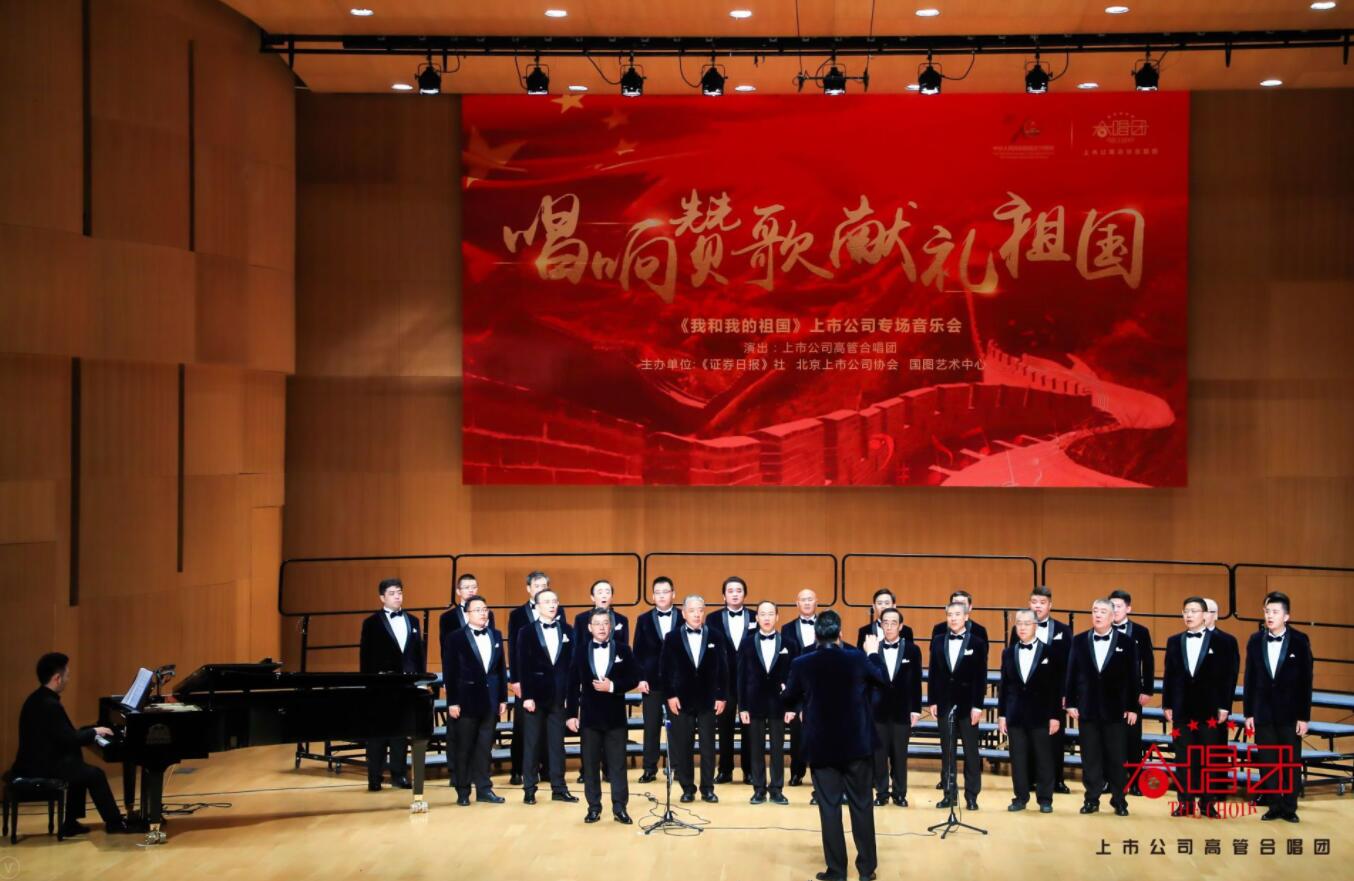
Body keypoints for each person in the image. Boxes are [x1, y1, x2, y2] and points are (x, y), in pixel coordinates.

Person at [782, 611, 885, 881]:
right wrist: (874, 653)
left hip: (822, 747)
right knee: (862, 805)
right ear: (840, 634)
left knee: (829, 808)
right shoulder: (857, 658)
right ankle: (866, 870)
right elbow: (883, 680)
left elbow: (788, 698)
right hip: (857, 745)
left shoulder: (801, 663)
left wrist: (788, 691)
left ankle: (837, 871)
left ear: (816, 635)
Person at [7, 653, 132, 837]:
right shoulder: (49, 704)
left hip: (37, 760)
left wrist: (88, 732)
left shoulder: (38, 698)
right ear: (57, 678)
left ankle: (71, 823)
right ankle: (114, 823)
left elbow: (63, 736)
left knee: (77, 765)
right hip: (39, 766)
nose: (68, 679)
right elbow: (69, 738)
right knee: (94, 774)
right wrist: (95, 732)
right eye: (67, 675)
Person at [1243, 591, 1313, 823]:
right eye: (1267, 611)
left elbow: (1306, 681)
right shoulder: (1255, 640)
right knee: (1268, 762)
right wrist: (1249, 713)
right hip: (1263, 712)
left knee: (1290, 762)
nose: (1269, 616)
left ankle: (1289, 807)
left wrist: (1304, 717)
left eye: (1274, 612)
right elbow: (1250, 679)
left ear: (1286, 616)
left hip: (1290, 713)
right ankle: (1274, 805)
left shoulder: (1300, 640)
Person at [1065, 599, 1139, 817]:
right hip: (1087, 708)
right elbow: (1071, 672)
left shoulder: (1126, 642)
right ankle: (1091, 799)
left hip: (1116, 709)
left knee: (1117, 757)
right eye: (1095, 611)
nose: (1097, 615)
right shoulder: (1079, 640)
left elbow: (1133, 677)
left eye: (1103, 611)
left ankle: (1119, 799)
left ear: (1113, 616)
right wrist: (1071, 702)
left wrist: (1132, 707)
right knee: (1090, 757)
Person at [1162, 596, 1235, 818]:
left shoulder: (1222, 642)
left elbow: (1228, 677)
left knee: (1208, 758)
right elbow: (1169, 675)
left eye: (1194, 611)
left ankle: (1207, 803)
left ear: (1204, 615)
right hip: (1182, 709)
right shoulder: (1174, 641)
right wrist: (1167, 703)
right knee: (1183, 758)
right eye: (1186, 611)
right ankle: (1184, 802)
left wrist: (1225, 705)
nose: (1189, 615)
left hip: (1210, 710)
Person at [566, 608, 639, 824]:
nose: (601, 627)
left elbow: (634, 678)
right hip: (590, 718)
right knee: (590, 765)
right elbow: (572, 684)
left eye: (605, 623)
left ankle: (620, 808)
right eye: (597, 623)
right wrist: (571, 714)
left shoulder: (624, 649)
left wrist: (612, 686)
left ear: (611, 626)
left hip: (615, 718)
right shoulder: (580, 651)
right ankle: (593, 807)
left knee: (618, 765)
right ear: (590, 627)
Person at [512, 589, 578, 805]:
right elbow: (523, 665)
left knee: (557, 745)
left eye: (555, 601)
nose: (552, 605)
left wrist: (569, 695)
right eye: (547, 602)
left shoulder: (568, 630)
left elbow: (572, 666)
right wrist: (527, 696)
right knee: (532, 744)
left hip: (558, 696)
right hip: (535, 697)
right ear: (538, 606)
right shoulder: (526, 631)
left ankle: (559, 788)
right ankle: (529, 789)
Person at [359, 577, 426, 791]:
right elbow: (365, 657)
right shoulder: (371, 623)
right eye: (392, 593)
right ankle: (375, 777)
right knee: (378, 733)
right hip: (381, 686)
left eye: (399, 592)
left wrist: (420, 680)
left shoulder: (413, 621)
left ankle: (399, 775)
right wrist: (368, 683)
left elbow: (418, 654)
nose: (397, 596)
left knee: (401, 731)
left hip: (406, 685)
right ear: (382, 598)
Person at [660, 595, 727, 803]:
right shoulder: (672, 637)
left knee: (708, 746)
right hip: (681, 700)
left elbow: (723, 668)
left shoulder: (716, 635)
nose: (697, 614)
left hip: (708, 699)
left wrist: (722, 696)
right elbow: (665, 670)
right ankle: (687, 787)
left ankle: (708, 788)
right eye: (692, 610)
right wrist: (670, 695)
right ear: (683, 613)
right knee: (683, 745)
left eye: (700, 610)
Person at [444, 596, 508, 806]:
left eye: (485, 609)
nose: (483, 613)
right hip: (466, 701)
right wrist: (452, 702)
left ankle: (484, 789)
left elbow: (500, 668)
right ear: (468, 614)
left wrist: (502, 698)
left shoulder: (495, 634)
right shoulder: (455, 638)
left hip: (490, 701)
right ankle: (463, 791)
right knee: (464, 748)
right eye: (478, 609)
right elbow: (450, 671)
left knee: (484, 748)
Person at [998, 610, 1062, 813]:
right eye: (1019, 623)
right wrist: (1002, 714)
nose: (1023, 627)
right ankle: (1020, 797)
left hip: (1041, 714)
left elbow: (1055, 688)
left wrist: (1055, 716)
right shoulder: (1008, 653)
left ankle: (1045, 799)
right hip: (1015, 714)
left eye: (1027, 623)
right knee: (1018, 758)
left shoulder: (1050, 652)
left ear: (1035, 625)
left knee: (1044, 757)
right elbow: (1004, 686)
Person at [927, 600, 988, 810]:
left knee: (971, 752)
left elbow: (981, 677)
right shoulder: (937, 641)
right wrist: (932, 700)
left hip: (968, 705)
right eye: (949, 614)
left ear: (966, 617)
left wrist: (978, 706)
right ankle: (949, 794)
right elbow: (933, 673)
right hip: (945, 703)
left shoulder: (977, 643)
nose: (953, 618)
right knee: (947, 751)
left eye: (957, 614)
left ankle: (972, 796)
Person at [1012, 585, 1073, 794]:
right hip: (1027, 694)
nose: (1037, 606)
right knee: (1027, 738)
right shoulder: (1018, 630)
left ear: (1050, 605)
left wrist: (1066, 693)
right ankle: (1029, 780)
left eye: (1042, 602)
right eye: (1034, 602)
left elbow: (1069, 665)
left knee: (1055, 737)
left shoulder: (1063, 630)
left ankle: (1057, 780)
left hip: (1054, 693)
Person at [507, 571, 562, 786]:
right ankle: (517, 769)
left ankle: (547, 769)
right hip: (527, 680)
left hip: (551, 682)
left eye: (544, 585)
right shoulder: (517, 614)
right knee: (523, 727)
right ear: (528, 589)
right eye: (537, 586)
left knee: (550, 729)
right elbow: (514, 649)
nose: (541, 588)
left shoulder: (558, 611)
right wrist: (516, 680)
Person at [739, 599, 794, 804]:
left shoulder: (790, 644)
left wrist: (791, 706)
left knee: (778, 748)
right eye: (762, 614)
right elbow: (741, 677)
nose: (767, 618)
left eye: (771, 614)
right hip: (754, 703)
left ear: (777, 617)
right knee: (756, 748)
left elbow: (794, 677)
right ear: (757, 618)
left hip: (780, 704)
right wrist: (742, 707)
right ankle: (759, 789)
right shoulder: (746, 643)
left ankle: (777, 789)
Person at [868, 608, 921, 807]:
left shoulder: (913, 650)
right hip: (878, 711)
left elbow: (916, 682)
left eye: (893, 623)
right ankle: (881, 793)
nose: (889, 627)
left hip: (902, 710)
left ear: (900, 626)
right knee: (879, 755)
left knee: (900, 754)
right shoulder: (872, 650)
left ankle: (899, 793)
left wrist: (915, 709)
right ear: (880, 625)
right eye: (886, 623)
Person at [707, 575, 754, 784]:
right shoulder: (712, 619)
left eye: (739, 590)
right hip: (723, 682)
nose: (735, 594)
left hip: (749, 682)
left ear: (745, 594)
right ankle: (725, 770)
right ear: (723, 596)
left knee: (749, 728)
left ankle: (749, 770)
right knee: (724, 728)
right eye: (730, 591)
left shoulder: (756, 616)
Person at [1108, 588, 1154, 796]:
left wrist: (1147, 690)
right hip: (1109, 693)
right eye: (1112, 606)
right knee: (1109, 739)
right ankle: (1109, 780)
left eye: (1119, 606)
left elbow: (1148, 662)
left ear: (1128, 608)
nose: (1115, 610)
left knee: (1133, 739)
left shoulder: (1141, 631)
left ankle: (1135, 781)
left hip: (1132, 692)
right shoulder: (1102, 629)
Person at [633, 576, 678, 783]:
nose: (661, 596)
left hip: (677, 683)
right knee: (651, 727)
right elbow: (637, 652)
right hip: (651, 682)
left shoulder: (683, 616)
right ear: (652, 596)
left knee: (677, 727)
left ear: (673, 594)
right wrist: (640, 678)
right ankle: (649, 768)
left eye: (665, 592)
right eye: (657, 592)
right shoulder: (643, 619)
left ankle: (676, 767)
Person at [782, 588, 821, 787]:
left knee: (819, 734)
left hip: (820, 689)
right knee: (796, 735)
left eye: (810, 599)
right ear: (797, 603)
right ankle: (796, 772)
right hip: (797, 689)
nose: (806, 603)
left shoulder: (825, 625)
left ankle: (819, 776)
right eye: (803, 600)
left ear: (816, 602)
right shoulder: (787, 628)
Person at [571, 579, 630, 647]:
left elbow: (625, 646)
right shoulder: (581, 618)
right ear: (592, 597)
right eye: (600, 593)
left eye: (607, 592)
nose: (604, 596)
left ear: (612, 597)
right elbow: (576, 645)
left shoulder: (622, 619)